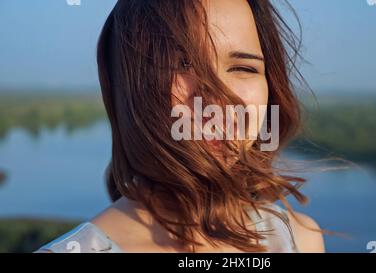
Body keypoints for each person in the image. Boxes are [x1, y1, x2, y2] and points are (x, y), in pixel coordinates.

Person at [35, 0, 324, 253]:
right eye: (182, 65)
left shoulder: (299, 238)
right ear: (127, 88)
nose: (218, 99)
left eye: (243, 68)